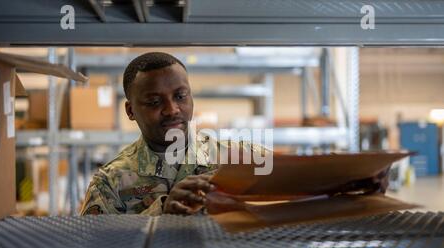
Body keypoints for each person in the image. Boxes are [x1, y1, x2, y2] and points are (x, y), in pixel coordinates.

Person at [80, 51, 389, 217]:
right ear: (131, 111)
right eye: (154, 101)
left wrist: (356, 182)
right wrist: (159, 212)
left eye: (180, 96)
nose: (172, 109)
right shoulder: (110, 182)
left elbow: (304, 184)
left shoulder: (239, 156)